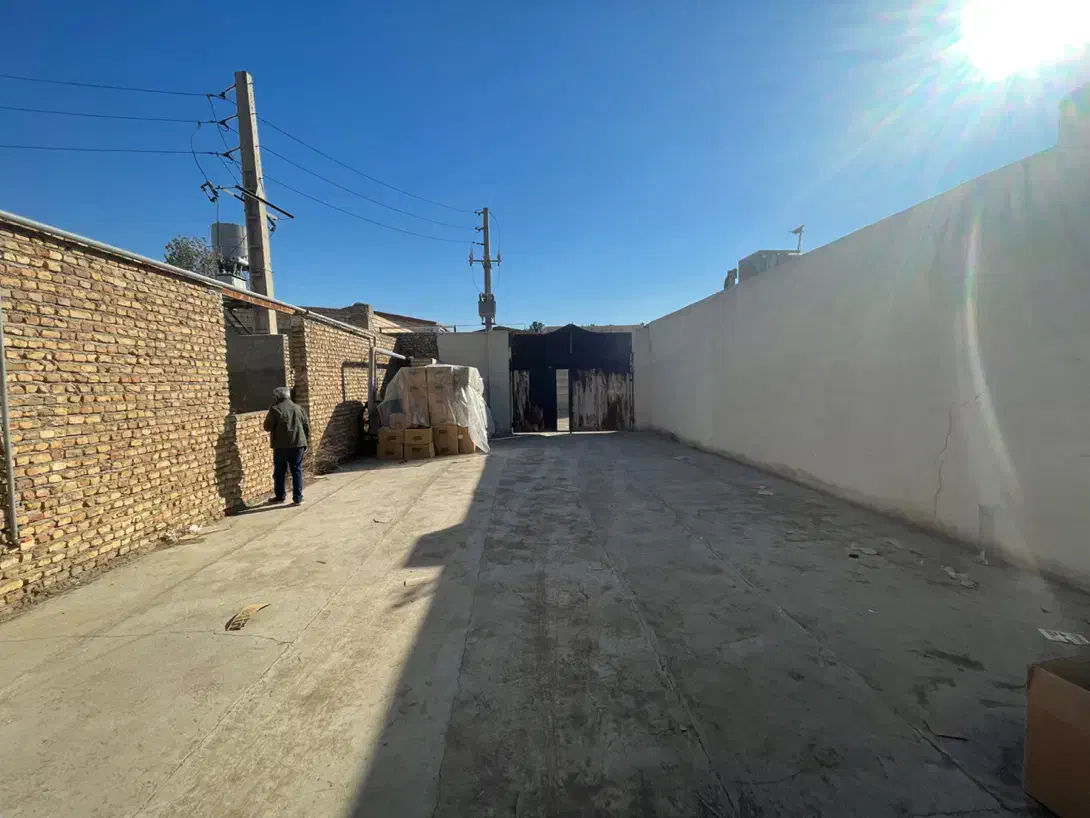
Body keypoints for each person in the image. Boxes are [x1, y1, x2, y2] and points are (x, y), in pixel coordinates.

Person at [263, 386, 310, 505]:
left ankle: (280, 497)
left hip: (281, 446)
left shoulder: (274, 409)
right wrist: (305, 441)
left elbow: (267, 427)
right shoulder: (298, 408)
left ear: (277, 397)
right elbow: (306, 426)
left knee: (279, 472)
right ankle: (298, 498)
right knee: (296, 470)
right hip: (298, 444)